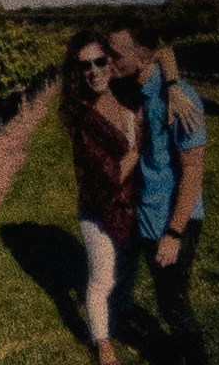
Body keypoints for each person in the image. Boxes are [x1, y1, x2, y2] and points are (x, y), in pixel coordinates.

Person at [101, 21, 210, 356]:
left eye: (115, 54)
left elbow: (193, 170)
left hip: (172, 219)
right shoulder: (137, 87)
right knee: (165, 298)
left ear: (143, 56)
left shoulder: (180, 100)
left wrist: (174, 233)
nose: (108, 60)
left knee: (173, 304)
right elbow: (165, 51)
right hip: (147, 213)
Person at [60, 31, 141, 355]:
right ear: (78, 73)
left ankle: (117, 322)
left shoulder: (127, 97)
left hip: (131, 205)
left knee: (127, 275)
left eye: (99, 60)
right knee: (102, 279)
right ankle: (104, 346)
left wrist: (175, 86)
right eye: (84, 66)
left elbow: (161, 54)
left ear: (111, 60)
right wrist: (135, 153)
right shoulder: (84, 118)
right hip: (99, 209)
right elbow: (108, 177)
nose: (93, 70)